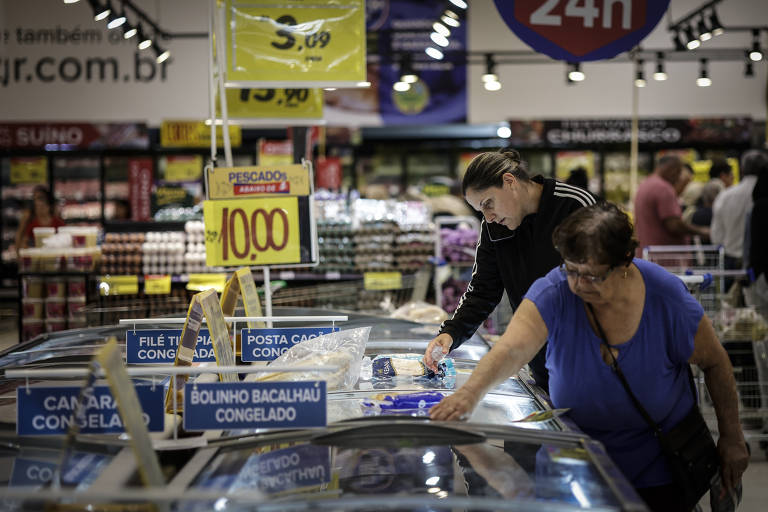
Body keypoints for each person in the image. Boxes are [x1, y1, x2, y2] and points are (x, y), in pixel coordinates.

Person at [430, 202, 748, 512]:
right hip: (572, 474)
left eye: (593, 275)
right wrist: (469, 395)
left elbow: (715, 362)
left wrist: (732, 438)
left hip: (659, 474)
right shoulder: (554, 291)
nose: (580, 284)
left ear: (625, 261)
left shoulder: (666, 297)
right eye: (572, 270)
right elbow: (511, 350)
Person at [423, 148, 597, 391]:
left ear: (509, 181)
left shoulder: (574, 206)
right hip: (542, 367)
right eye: (481, 210)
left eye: (488, 204)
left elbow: (603, 286)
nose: (488, 217)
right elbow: (483, 290)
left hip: (591, 361)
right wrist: (451, 333)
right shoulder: (494, 227)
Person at [633, 156, 709, 253]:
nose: (678, 178)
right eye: (678, 173)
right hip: (663, 256)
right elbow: (674, 225)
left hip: (648, 253)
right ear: (672, 169)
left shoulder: (646, 184)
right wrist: (701, 231)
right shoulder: (663, 188)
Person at [711, 149, 768, 272]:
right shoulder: (764, 197)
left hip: (731, 261)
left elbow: (716, 236)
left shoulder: (725, 196)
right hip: (762, 263)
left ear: (742, 170)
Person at [15, 185, 65, 250]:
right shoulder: (29, 218)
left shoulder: (56, 220)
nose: (38, 203)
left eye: (40, 198)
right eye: (35, 199)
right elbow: (21, 236)